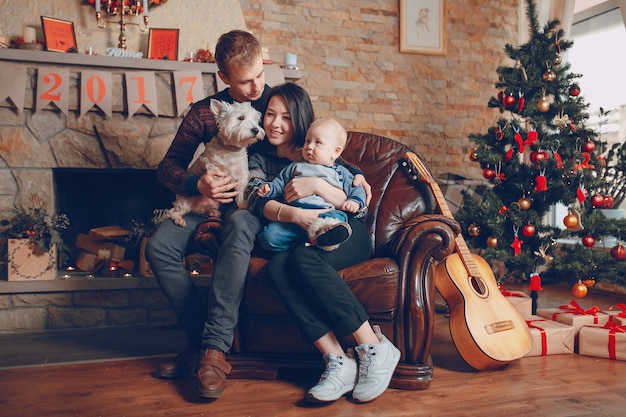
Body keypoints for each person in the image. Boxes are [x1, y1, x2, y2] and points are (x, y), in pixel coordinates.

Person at [246, 83, 400, 404]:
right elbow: (255, 201)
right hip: (301, 234)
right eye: (270, 114)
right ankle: (337, 360)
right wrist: (293, 213)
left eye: (285, 117)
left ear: (299, 121)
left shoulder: (326, 155)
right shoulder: (256, 156)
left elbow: (360, 201)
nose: (275, 123)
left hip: (345, 231)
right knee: (277, 268)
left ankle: (372, 344)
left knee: (303, 261)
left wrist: (317, 184)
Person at [145, 29, 271, 400]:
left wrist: (352, 174)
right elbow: (167, 166)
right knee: (158, 248)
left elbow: (313, 138)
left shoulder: (275, 101)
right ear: (224, 77)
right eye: (245, 80)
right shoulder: (204, 112)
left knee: (239, 229)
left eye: (260, 74)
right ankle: (199, 338)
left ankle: (215, 349)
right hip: (203, 202)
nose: (255, 87)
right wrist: (194, 186)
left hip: (248, 206)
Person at [255, 118, 367, 252]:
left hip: (325, 214)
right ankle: (300, 245)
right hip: (293, 218)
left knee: (335, 222)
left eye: (318, 142)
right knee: (269, 237)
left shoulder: (341, 172)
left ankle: (324, 238)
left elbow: (357, 189)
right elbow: (279, 183)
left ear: (335, 152)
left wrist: (355, 201)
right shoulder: (295, 166)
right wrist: (269, 188)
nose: (309, 146)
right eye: (308, 141)